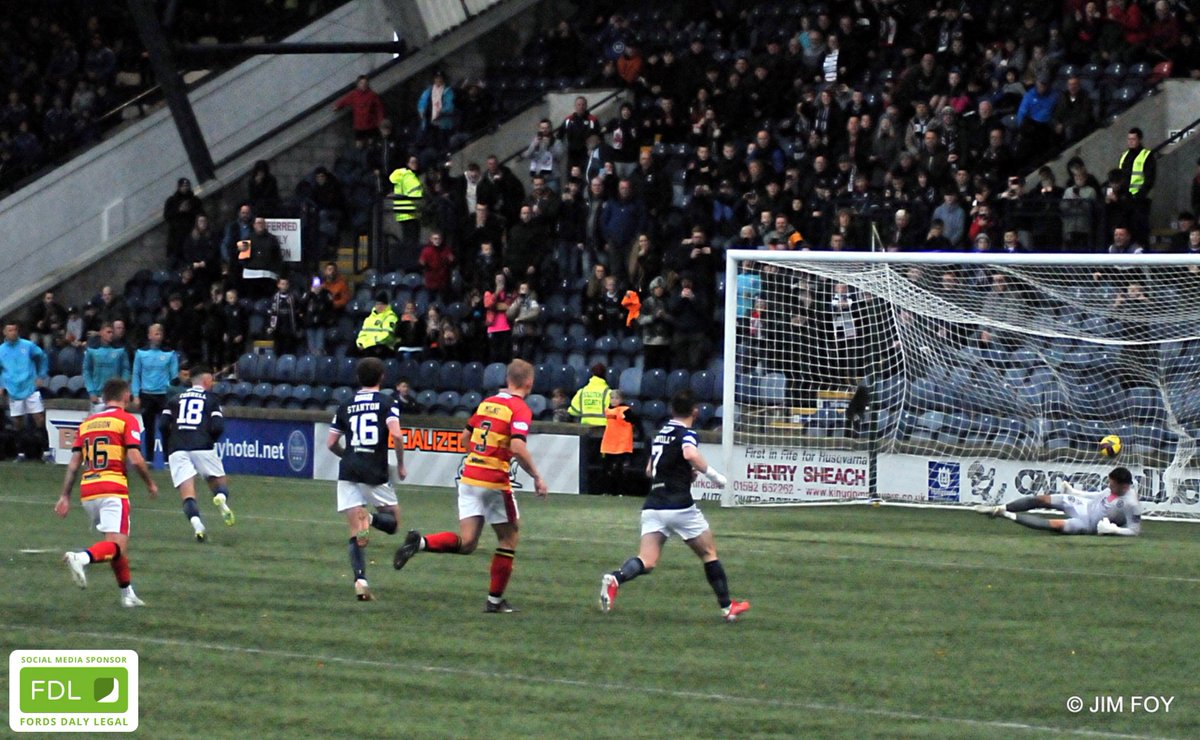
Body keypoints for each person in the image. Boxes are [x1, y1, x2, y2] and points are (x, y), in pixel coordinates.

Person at [391, 359, 548, 613]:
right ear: (529, 383)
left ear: (508, 379)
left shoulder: (487, 403)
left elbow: (465, 437)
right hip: (493, 480)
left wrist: (478, 457)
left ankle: (420, 543)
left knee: (468, 543)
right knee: (509, 539)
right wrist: (538, 477)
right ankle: (494, 601)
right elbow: (518, 447)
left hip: (469, 477)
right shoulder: (519, 409)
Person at [598, 390, 749, 621]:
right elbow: (689, 453)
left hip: (653, 506)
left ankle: (616, 578)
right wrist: (715, 477)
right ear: (695, 412)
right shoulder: (686, 433)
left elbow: (650, 471)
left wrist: (683, 474)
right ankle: (727, 607)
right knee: (709, 553)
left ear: (671, 410)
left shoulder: (660, 434)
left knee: (647, 561)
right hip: (679, 506)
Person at [56, 377, 159, 607]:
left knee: (114, 544)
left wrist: (64, 495)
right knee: (117, 546)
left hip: (88, 491)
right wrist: (150, 483)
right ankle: (80, 558)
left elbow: (74, 463)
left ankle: (127, 594)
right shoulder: (126, 420)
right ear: (125, 397)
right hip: (113, 489)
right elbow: (135, 457)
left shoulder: (87, 423)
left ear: (103, 398)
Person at [327, 358, 407, 601]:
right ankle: (370, 517)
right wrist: (401, 464)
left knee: (354, 530)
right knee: (393, 522)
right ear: (381, 377)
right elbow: (396, 435)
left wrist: (348, 456)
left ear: (358, 379)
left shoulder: (345, 404)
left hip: (349, 469)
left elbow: (331, 443)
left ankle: (360, 581)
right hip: (374, 469)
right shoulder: (387, 402)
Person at [159, 365, 235, 542]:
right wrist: (210, 440)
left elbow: (162, 425)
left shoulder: (174, 399)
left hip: (177, 447)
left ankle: (198, 526)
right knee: (218, 481)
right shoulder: (211, 399)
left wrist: (171, 442)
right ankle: (221, 499)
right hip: (202, 444)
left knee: (187, 493)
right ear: (207, 381)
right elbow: (218, 426)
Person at [977, 467, 1142, 536]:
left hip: (1087, 524)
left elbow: (1134, 531)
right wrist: (1075, 492)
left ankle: (1005, 514)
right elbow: (1098, 496)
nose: (1109, 486)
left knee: (1053, 524)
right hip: (1083, 505)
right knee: (1042, 499)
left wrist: (1114, 530)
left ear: (1124, 486)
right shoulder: (1112, 489)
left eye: (1112, 484)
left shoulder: (1131, 504)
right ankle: (999, 507)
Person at [0, 320, 51, 461]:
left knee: (39, 419)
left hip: (30, 387)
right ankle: (21, 453)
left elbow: (43, 357)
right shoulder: (1, 350)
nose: (13, 333)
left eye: (14, 330)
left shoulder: (27, 346)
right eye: (9, 330)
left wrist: (41, 375)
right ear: (4, 332)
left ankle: (47, 453)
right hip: (13, 390)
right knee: (17, 423)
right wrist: (1, 385)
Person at [131, 324, 179, 467]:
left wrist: (172, 393)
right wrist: (136, 395)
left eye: (160, 333)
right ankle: (149, 459)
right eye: (155, 333)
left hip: (163, 396)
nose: (158, 336)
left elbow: (174, 377)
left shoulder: (170, 353)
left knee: (165, 427)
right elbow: (136, 375)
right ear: (149, 335)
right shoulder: (140, 353)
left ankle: (167, 459)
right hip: (146, 395)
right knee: (149, 428)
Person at [1118, 127, 1156, 245]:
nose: (1130, 141)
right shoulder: (1124, 156)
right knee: (1126, 230)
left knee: (1140, 231)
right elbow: (1119, 176)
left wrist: (1139, 195)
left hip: (1140, 201)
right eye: (1129, 139)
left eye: (1133, 139)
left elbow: (1149, 179)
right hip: (1125, 199)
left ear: (1139, 140)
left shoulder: (1146, 155)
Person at [83, 322, 129, 413]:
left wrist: (122, 387)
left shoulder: (120, 351)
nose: (111, 335)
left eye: (112, 332)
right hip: (98, 395)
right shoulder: (92, 351)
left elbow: (126, 370)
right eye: (108, 332)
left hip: (115, 396)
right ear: (101, 333)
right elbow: (86, 371)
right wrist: (91, 391)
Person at [600, 390, 638, 495]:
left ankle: (620, 491)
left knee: (619, 469)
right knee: (607, 469)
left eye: (616, 398)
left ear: (621, 400)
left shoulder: (625, 411)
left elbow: (635, 421)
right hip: (609, 442)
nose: (613, 400)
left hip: (621, 443)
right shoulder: (607, 410)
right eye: (612, 398)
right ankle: (607, 491)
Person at [333, 74, 385, 142]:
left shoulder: (372, 95)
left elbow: (379, 109)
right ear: (358, 84)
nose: (363, 85)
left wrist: (380, 120)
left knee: (371, 142)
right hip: (359, 125)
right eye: (361, 83)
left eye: (365, 83)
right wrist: (337, 106)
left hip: (370, 124)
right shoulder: (354, 94)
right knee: (359, 143)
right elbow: (345, 100)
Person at [355, 293, 398, 360]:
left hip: (384, 346)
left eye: (382, 304)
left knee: (373, 352)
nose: (379, 306)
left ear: (386, 305)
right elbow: (362, 333)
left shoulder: (390, 317)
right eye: (377, 304)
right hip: (368, 345)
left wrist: (366, 344)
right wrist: (360, 343)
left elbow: (386, 336)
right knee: (351, 350)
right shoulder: (369, 318)